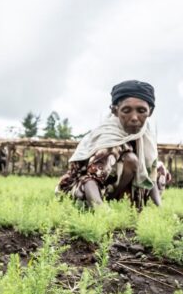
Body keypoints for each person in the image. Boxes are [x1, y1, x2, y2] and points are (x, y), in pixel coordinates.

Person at [57, 80, 171, 209]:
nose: (134, 117)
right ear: (115, 110)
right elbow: (90, 181)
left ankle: (131, 206)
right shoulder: (109, 138)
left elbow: (151, 177)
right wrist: (103, 213)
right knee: (131, 160)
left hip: (114, 189)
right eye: (126, 110)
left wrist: (159, 211)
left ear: (150, 111)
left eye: (141, 111)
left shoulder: (145, 135)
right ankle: (104, 206)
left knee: (159, 169)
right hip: (83, 190)